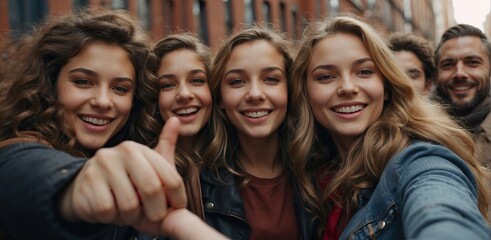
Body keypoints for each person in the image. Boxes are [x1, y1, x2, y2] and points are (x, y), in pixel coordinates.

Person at [0, 9, 225, 240]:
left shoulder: (137, 147)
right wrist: (77, 186)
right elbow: (20, 169)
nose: (103, 101)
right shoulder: (18, 149)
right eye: (83, 82)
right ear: (50, 83)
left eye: (120, 88)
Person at [290, 16, 490, 239]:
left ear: (386, 87)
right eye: (326, 76)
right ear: (305, 92)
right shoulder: (307, 171)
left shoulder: (419, 160)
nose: (347, 87)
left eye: (364, 71)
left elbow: (440, 207)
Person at [200, 26, 317, 239]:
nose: (255, 94)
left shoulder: (320, 171)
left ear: (290, 90)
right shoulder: (199, 184)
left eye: (271, 79)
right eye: (237, 81)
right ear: (220, 100)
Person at [433, 24, 491, 169]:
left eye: (472, 62)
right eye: (448, 64)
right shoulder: (412, 132)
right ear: (435, 75)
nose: (459, 73)